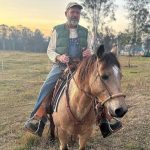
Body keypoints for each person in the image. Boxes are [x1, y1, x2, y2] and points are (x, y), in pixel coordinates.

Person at [24, 2, 122, 138]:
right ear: (66, 14)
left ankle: (105, 120)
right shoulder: (57, 30)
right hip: (61, 66)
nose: (75, 15)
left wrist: (89, 52)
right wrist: (59, 56)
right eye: (73, 12)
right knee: (47, 86)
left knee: (97, 85)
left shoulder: (85, 31)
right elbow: (49, 50)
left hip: (81, 66)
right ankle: (37, 118)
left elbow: (92, 51)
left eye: (77, 13)